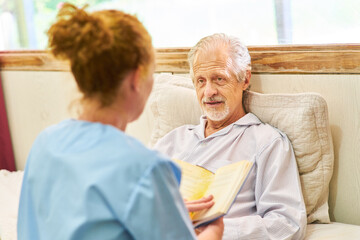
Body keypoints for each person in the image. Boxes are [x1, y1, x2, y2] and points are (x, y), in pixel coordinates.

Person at [17, 4, 223, 240]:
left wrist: (164, 212)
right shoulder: (145, 169)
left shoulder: (45, 143)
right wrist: (213, 232)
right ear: (136, 79)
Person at [154, 33, 307, 239]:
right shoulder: (173, 140)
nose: (208, 92)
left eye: (219, 79)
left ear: (245, 79)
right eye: (201, 81)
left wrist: (211, 230)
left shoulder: (266, 142)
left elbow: (287, 223)